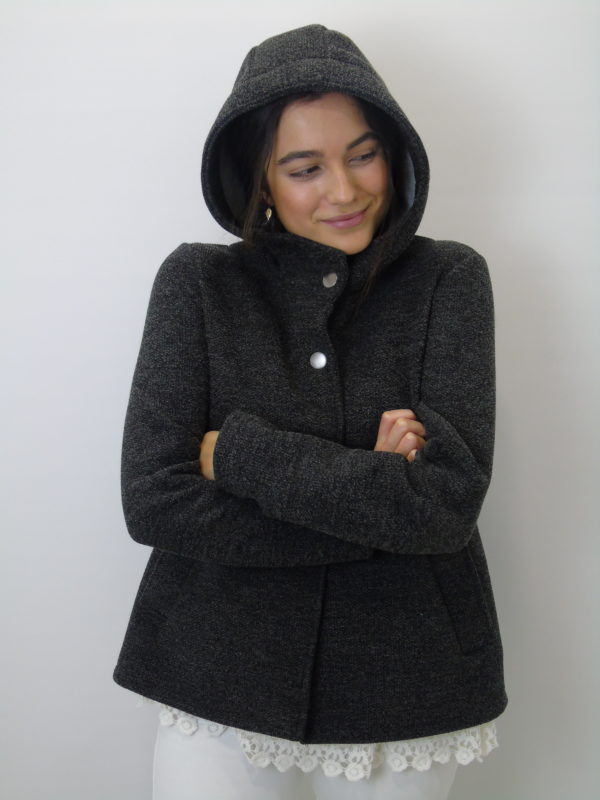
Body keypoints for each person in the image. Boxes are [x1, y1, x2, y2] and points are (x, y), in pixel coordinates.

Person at [113, 24, 508, 800]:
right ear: (260, 178)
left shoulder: (449, 279)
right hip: (217, 672)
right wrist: (377, 498)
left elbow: (446, 506)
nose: (345, 190)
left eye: (363, 155)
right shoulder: (197, 284)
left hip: (407, 679)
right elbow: (155, 500)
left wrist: (238, 454)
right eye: (304, 169)